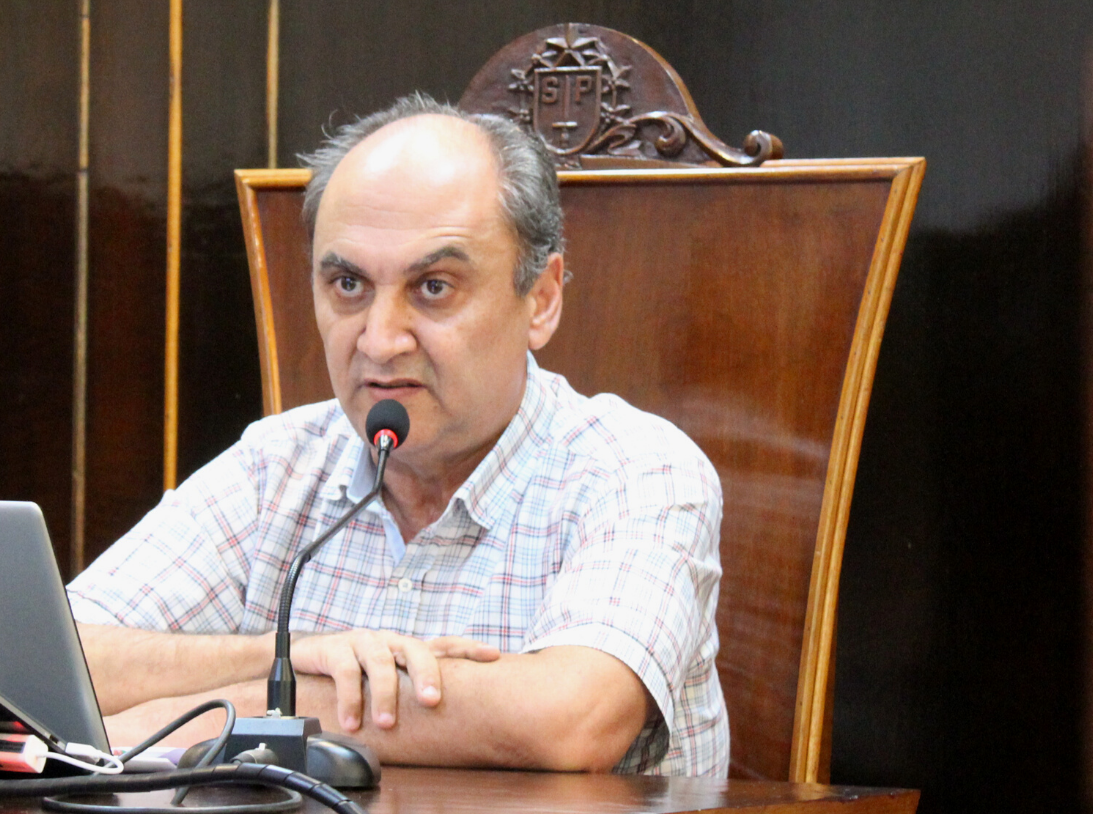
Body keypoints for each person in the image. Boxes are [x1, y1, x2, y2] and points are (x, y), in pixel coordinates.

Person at [68, 93, 727, 775]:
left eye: (434, 287)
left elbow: (571, 721)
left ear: (541, 299)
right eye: (349, 284)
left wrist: (233, 713)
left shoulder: (638, 468)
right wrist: (284, 656)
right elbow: (42, 665)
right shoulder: (279, 465)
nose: (380, 341)